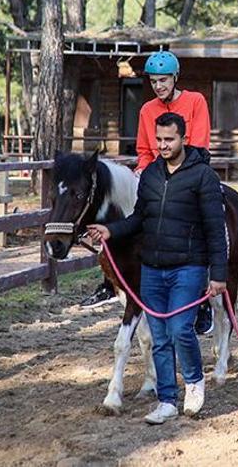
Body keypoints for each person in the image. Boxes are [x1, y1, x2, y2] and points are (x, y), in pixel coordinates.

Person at [87, 112, 227, 424]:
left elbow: (215, 229)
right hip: (152, 266)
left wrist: (218, 274)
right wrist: (113, 231)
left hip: (188, 266)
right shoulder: (150, 176)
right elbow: (139, 218)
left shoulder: (203, 177)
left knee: (179, 329)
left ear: (183, 139)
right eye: (159, 140)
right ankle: (167, 399)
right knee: (160, 335)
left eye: (169, 140)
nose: (163, 146)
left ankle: (193, 383)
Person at [81, 51, 215, 337]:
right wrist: (144, 172)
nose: (158, 86)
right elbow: (143, 151)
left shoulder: (195, 101)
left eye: (163, 80)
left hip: (190, 171)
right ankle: (115, 278)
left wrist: (178, 175)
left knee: (200, 222)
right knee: (130, 213)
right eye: (154, 81)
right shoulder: (146, 110)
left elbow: (200, 144)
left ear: (175, 78)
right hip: (155, 175)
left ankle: (203, 297)